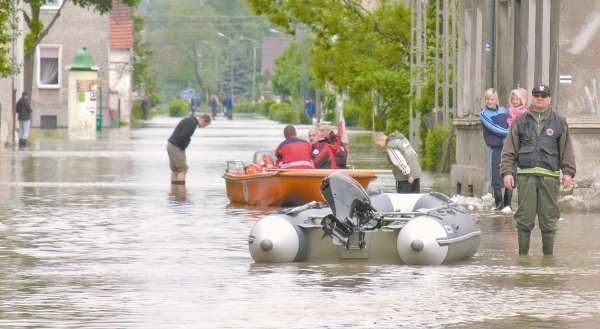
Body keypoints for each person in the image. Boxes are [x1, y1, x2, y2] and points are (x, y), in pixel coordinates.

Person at [500, 84, 576, 256]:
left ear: (549, 99)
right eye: (536, 95)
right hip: (526, 177)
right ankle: (523, 260)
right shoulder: (520, 121)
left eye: (543, 95)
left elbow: (567, 150)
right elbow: (509, 149)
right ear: (532, 98)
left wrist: (568, 173)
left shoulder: (559, 122)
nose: (540, 98)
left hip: (549, 178)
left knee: (549, 220)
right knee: (524, 219)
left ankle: (548, 261)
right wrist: (507, 172)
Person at [479, 88, 509, 211]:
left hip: (507, 149)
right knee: (496, 178)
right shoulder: (483, 114)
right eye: (487, 99)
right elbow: (495, 129)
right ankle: (498, 205)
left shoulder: (504, 111)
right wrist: (510, 133)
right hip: (495, 148)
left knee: (509, 174)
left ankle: (508, 205)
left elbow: (511, 122)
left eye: (492, 99)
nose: (489, 101)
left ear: (496, 100)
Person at [501, 88, 529, 212]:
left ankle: (522, 206)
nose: (515, 101)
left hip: (523, 148)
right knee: (510, 175)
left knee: (522, 177)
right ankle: (506, 204)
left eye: (517, 99)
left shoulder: (527, 114)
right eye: (513, 99)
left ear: (523, 100)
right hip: (511, 145)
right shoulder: (509, 112)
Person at [166, 114, 212, 185]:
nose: (204, 127)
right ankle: (181, 193)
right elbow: (183, 136)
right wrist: (182, 147)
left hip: (171, 145)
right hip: (176, 146)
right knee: (183, 170)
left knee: (175, 170)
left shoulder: (190, 120)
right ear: (203, 120)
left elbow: (183, 135)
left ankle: (174, 192)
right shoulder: (192, 123)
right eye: (205, 125)